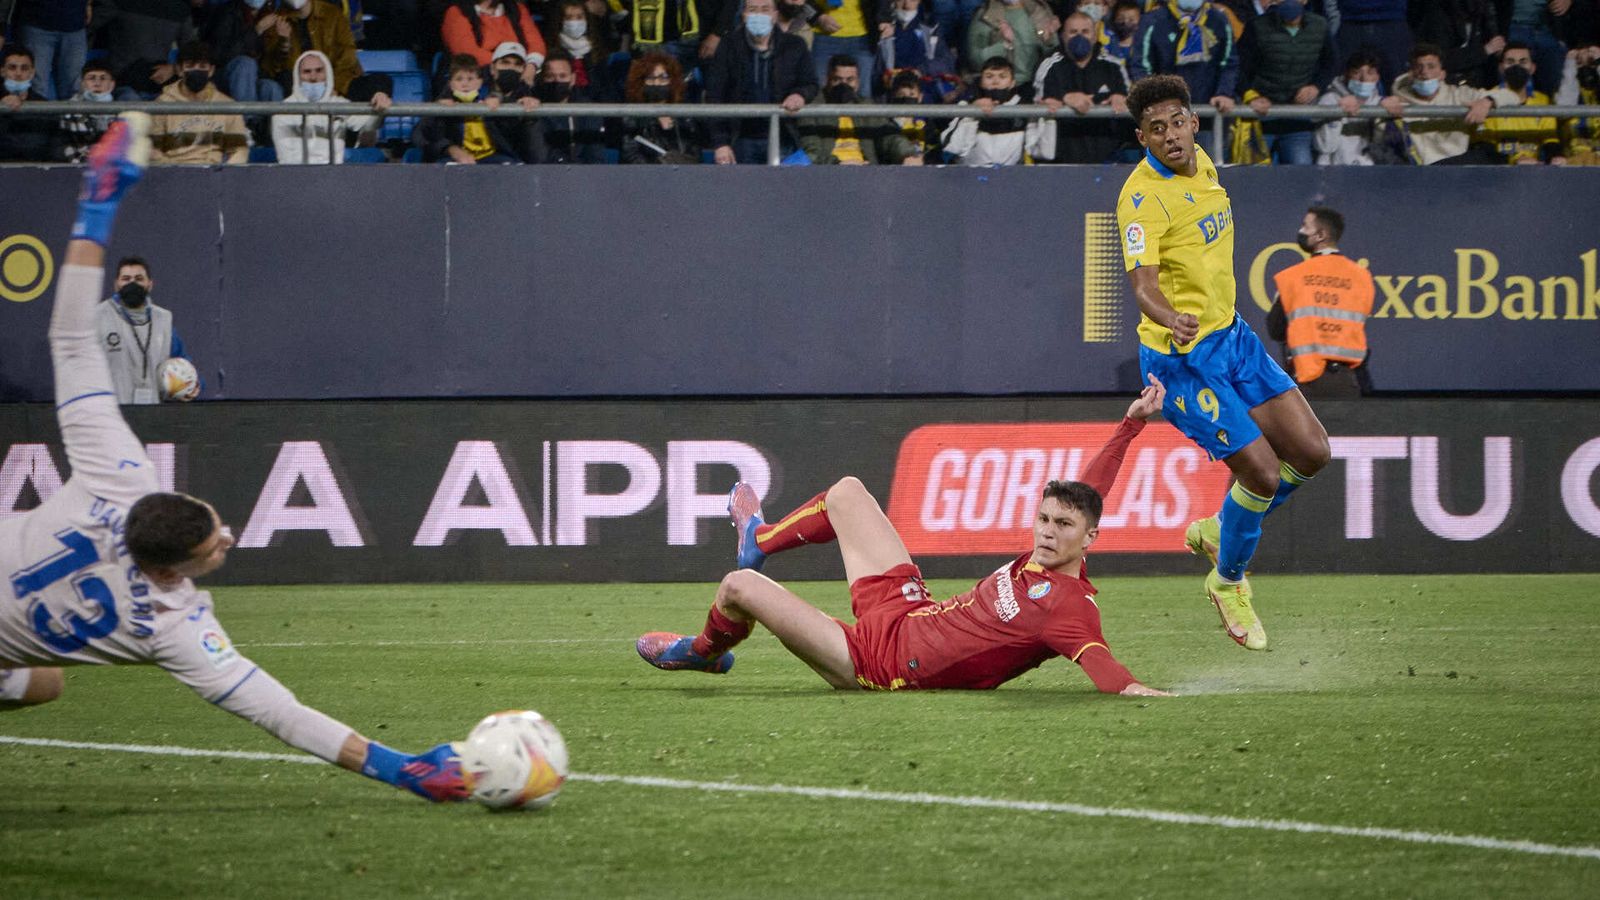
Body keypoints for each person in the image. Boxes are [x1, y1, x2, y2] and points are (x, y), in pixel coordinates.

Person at [0, 113, 469, 804]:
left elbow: (69, 339)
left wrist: (96, 209)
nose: (226, 538)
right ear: (168, 570)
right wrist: (398, 767)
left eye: (214, 527)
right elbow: (275, 709)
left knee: (45, 684)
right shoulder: (168, 622)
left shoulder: (114, 473)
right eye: (213, 548)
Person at [636, 382, 1174, 697]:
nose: (1048, 533)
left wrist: (1138, 691)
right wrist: (1130, 426)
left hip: (878, 661)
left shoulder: (1070, 609)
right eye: (1044, 520)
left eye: (1062, 526)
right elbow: (1090, 491)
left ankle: (704, 652)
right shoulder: (1049, 552)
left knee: (737, 587)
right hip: (911, 610)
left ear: (1090, 539)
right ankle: (759, 538)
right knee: (846, 493)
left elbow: (1105, 669)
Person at [1116, 74, 1332, 651]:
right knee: (1260, 471)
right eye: (1155, 129)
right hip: (1181, 358)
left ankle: (1220, 528)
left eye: (1177, 123)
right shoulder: (1141, 198)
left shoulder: (1205, 163)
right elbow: (1142, 286)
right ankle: (1228, 579)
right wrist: (1169, 317)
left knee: (1312, 453)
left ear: (1191, 122)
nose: (1170, 136)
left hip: (1232, 337)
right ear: (1143, 137)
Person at [1265, 206, 1374, 398]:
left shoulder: (1293, 277)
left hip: (1308, 381)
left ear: (1320, 235)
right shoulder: (1362, 277)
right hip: (1351, 381)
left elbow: (1275, 329)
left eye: (1306, 226)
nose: (1301, 231)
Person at [702, 0, 817, 165]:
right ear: (743, 15)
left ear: (775, 15)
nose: (758, 14)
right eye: (752, 9)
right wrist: (721, 143)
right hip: (740, 141)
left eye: (765, 9)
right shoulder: (728, 46)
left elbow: (810, 83)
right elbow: (714, 95)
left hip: (784, 137)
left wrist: (800, 95)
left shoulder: (794, 45)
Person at [1382, 43, 1522, 166]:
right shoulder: (1398, 98)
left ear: (1442, 74)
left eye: (1431, 66)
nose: (1424, 72)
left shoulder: (1459, 95)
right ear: (1411, 73)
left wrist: (1487, 102)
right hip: (1416, 172)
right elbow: (1380, 139)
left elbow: (1512, 96)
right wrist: (1383, 107)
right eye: (1419, 67)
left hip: (1455, 171)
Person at [1127, 0, 1239, 151]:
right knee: (1164, 171)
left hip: (1208, 118)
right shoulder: (1153, 21)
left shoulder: (1218, 20)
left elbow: (1229, 62)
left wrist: (1224, 92)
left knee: (1205, 170)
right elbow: (1141, 65)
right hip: (1163, 120)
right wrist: (1155, 100)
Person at [1235, 0, 1337, 165]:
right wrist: (1251, 96)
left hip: (1298, 119)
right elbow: (1238, 68)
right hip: (1260, 118)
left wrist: (1316, 87)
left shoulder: (1320, 26)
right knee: (1254, 178)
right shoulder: (1257, 26)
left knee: (1300, 179)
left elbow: (1331, 64)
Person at [1032, 11, 1130, 164]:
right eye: (1073, 32)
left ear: (1095, 35)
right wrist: (1065, 97)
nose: (1079, 37)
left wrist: (1120, 99)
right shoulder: (1049, 66)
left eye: (1085, 31)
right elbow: (1038, 100)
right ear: (1063, 36)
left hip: (1107, 158)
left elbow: (1128, 100)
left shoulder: (1113, 66)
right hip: (1060, 160)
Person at [97, 256, 196, 405]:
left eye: (138, 278)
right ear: (116, 284)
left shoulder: (163, 319)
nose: (132, 283)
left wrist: (191, 386)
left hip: (153, 415)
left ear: (150, 284)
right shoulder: (97, 317)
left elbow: (182, 362)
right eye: (126, 278)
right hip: (111, 415)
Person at [800, 54, 923, 163]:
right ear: (827, 80)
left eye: (850, 80)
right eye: (837, 80)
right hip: (830, 172)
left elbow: (889, 136)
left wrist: (907, 153)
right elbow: (811, 152)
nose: (844, 85)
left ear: (858, 82)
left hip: (866, 170)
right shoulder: (813, 108)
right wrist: (837, 163)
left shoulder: (867, 106)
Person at [271, 50, 384, 165]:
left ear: (328, 74)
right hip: (299, 176)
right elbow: (288, 158)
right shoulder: (283, 111)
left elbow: (369, 125)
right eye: (307, 72)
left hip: (335, 174)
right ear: (298, 77)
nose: (313, 77)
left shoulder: (340, 104)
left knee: (375, 154)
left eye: (319, 71)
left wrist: (379, 107)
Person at [149, 42, 251, 166]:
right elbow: (153, 151)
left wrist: (222, 175)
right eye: (190, 66)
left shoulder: (227, 105)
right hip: (174, 176)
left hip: (213, 178)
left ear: (211, 70)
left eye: (203, 66)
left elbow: (239, 151)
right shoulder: (161, 105)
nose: (197, 70)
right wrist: (174, 169)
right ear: (180, 70)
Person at [414, 53, 523, 163]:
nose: (465, 84)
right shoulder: (443, 105)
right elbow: (419, 135)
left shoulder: (492, 100)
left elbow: (515, 131)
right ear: (451, 84)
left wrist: (502, 102)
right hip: (457, 158)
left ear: (480, 82)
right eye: (459, 79)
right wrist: (449, 148)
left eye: (470, 79)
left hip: (493, 156)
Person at [1469, 41, 1564, 164]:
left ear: (1532, 68)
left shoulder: (1543, 100)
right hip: (1497, 172)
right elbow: (1484, 149)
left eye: (1523, 62)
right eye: (1510, 62)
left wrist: (1556, 157)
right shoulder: (1486, 100)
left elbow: (1550, 142)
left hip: (1533, 170)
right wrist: (1514, 161)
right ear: (1501, 68)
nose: (1517, 67)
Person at [1313, 49, 1408, 165]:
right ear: (1347, 75)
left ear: (1377, 77)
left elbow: (1395, 146)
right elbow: (1325, 147)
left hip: (1369, 171)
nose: (1363, 79)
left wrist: (1390, 118)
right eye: (1357, 73)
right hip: (1334, 170)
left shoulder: (1381, 103)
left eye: (1370, 73)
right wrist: (1337, 113)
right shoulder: (1330, 99)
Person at [940, 55, 1036, 164]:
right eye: (989, 77)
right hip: (971, 175)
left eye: (1002, 76)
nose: (995, 81)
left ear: (1012, 82)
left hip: (1012, 175)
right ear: (981, 81)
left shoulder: (1025, 109)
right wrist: (972, 113)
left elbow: (1036, 150)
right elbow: (952, 146)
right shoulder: (966, 106)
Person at [522, 51, 608, 163]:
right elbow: (538, 154)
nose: (557, 81)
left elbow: (595, 155)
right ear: (543, 78)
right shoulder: (534, 106)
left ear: (572, 79)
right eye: (550, 76)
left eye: (562, 76)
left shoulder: (587, 109)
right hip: (547, 173)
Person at [621, 51, 706, 163]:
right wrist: (658, 165)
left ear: (672, 81)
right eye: (651, 78)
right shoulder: (633, 116)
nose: (657, 83)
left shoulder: (686, 117)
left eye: (663, 78)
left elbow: (695, 153)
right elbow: (630, 154)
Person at [874, 0, 958, 102]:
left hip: (926, 91)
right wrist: (886, 78)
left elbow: (946, 63)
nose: (906, 5)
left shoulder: (930, 26)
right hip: (893, 93)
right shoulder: (881, 28)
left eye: (912, 0)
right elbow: (875, 71)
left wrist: (921, 70)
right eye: (901, 0)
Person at [1407, 0, 1503, 88]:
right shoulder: (1437, 17)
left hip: (1474, 84)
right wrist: (1484, 50)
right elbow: (1443, 59)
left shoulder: (1482, 15)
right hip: (1443, 86)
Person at [440, 0, 548, 77]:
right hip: (479, 74)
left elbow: (536, 44)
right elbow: (467, 51)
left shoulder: (517, 9)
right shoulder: (456, 12)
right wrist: (506, 65)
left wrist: (531, 66)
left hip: (521, 69)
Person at [965, 0, 1058, 88]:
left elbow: (1055, 57)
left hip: (1035, 85)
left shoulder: (1039, 12)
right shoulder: (986, 15)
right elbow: (976, 60)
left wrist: (1048, 39)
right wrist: (1004, 45)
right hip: (998, 87)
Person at [12, 0, 89, 100]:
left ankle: (72, 116)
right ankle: (34, 116)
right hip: (36, 24)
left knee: (75, 88)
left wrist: (89, 4)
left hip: (75, 25)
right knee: (36, 86)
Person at [1, 46, 63, 162]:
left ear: (32, 73)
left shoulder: (46, 108)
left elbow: (55, 151)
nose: (18, 73)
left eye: (24, 68)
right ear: (2, 71)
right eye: (12, 68)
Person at [60, 60, 120, 163]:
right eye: (91, 78)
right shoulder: (69, 111)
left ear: (112, 84)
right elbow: (71, 145)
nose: (97, 83)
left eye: (103, 78)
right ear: (83, 84)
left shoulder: (121, 111)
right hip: (77, 163)